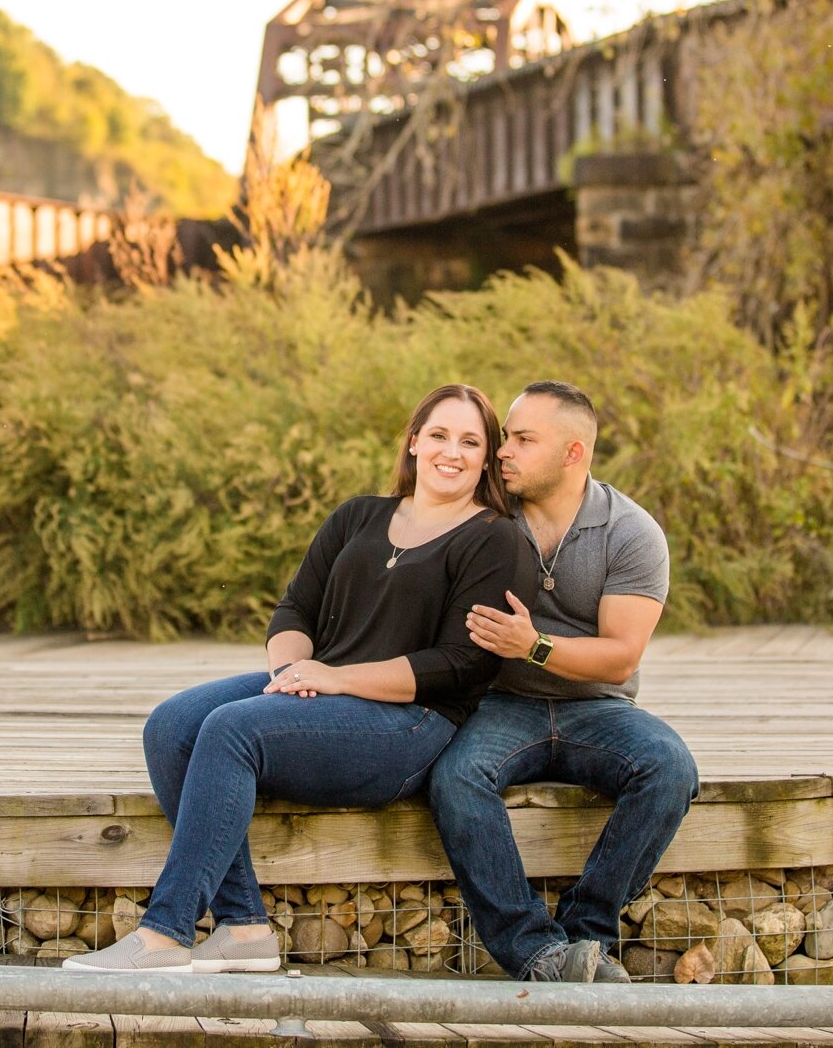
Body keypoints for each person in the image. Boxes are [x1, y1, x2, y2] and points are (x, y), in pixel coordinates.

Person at [65, 383, 537, 974]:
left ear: (487, 456)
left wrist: (336, 680)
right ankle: (243, 929)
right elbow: (294, 610)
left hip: (410, 724)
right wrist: (294, 675)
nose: (453, 451)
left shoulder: (494, 538)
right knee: (173, 725)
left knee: (236, 729)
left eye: (472, 441)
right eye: (440, 434)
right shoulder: (359, 516)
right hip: (323, 691)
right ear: (415, 441)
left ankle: (166, 931)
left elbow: (462, 663)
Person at [428, 380, 699, 984]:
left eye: (524, 440)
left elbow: (620, 659)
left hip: (597, 709)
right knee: (455, 776)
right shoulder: (487, 518)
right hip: (505, 704)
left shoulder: (631, 533)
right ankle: (534, 951)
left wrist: (535, 645)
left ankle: (587, 934)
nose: (503, 452)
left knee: (670, 768)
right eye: (506, 438)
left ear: (573, 453)